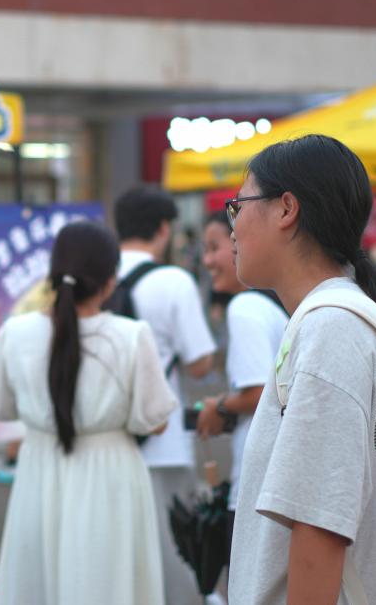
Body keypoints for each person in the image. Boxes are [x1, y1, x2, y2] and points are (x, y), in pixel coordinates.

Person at [227, 135, 376, 604]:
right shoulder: (343, 319)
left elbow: (320, 531)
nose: (233, 228)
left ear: (286, 209)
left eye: (238, 206)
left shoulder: (331, 330)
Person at [0, 221, 176, 605]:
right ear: (110, 280)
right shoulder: (131, 335)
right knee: (107, 584)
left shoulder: (15, 332)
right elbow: (154, 420)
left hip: (39, 468)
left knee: (39, 581)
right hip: (110, 474)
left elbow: (0, 406)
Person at [112, 186, 216, 604]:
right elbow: (201, 362)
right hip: (164, 439)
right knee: (174, 551)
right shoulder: (173, 281)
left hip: (109, 439)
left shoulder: (97, 275)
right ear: (163, 229)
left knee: (123, 548)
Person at [198, 211, 288, 582]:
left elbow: (259, 392)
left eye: (215, 247)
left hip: (256, 481)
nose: (207, 261)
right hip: (279, 476)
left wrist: (217, 406)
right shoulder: (271, 304)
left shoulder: (244, 308)